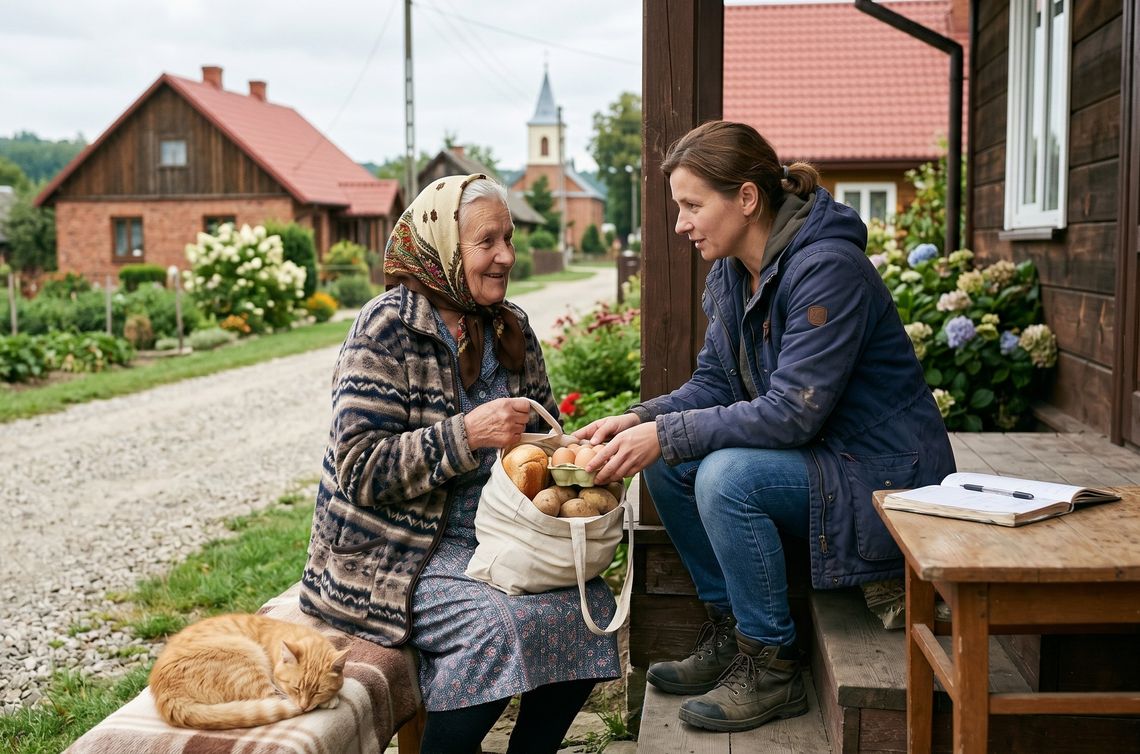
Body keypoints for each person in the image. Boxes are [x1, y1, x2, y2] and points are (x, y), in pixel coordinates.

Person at [576, 121, 956, 733]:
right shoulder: (732, 273)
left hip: (886, 479)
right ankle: (730, 630)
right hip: (825, 463)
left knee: (727, 476)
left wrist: (668, 432)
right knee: (667, 462)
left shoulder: (828, 269)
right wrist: (643, 419)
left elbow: (794, 410)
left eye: (692, 206)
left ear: (747, 199)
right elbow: (716, 387)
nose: (680, 224)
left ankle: (772, 664)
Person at [300, 174, 620, 753]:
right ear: (444, 246)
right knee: (494, 627)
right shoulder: (386, 329)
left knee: (588, 603)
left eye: (509, 238)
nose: (506, 257)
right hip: (394, 553)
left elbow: (542, 443)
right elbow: (359, 469)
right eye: (487, 242)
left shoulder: (510, 327)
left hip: (498, 535)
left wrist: (580, 462)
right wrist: (464, 435)